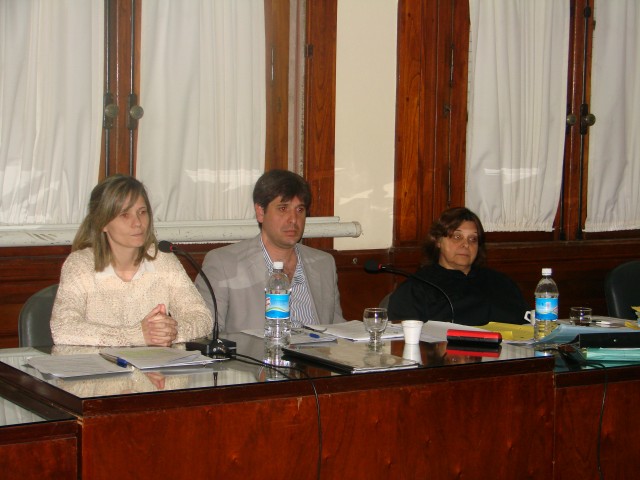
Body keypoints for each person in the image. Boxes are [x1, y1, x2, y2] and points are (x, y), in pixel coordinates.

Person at [51, 174, 212, 346]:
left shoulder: (163, 259)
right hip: (100, 363)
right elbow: (63, 328)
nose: (138, 223)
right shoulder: (80, 265)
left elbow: (202, 317)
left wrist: (169, 333)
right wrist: (137, 336)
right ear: (102, 222)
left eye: (142, 212)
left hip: (157, 362)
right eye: (125, 215)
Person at [196, 169, 344, 333]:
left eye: (299, 210)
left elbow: (338, 331)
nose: (293, 219)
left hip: (318, 349)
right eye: (283, 208)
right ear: (260, 212)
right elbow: (207, 334)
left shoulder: (324, 264)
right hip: (257, 350)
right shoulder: (223, 264)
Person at [388, 207, 529, 326]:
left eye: (473, 239)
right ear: (437, 241)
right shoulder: (417, 288)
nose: (466, 244)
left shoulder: (501, 283)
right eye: (457, 237)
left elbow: (527, 326)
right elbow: (404, 338)